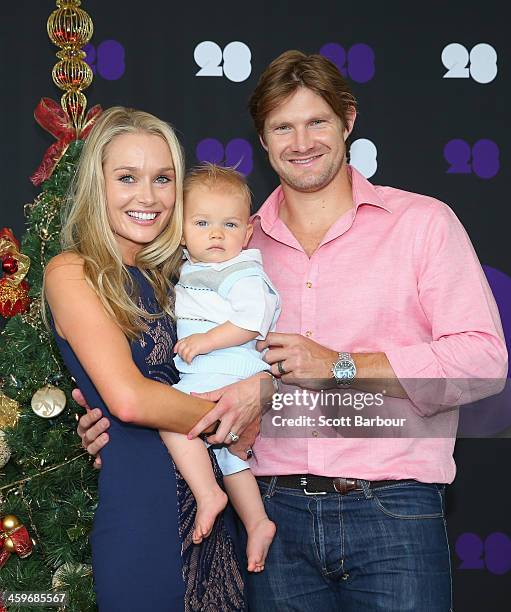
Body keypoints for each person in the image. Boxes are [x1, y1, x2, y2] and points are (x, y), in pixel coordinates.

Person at [77, 52, 508, 611]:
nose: (301, 141)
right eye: (283, 126)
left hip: (393, 512)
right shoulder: (230, 242)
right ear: (262, 137)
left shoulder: (422, 224)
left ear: (348, 120)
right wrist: (111, 421)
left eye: (317, 122)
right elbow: (164, 362)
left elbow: (482, 362)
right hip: (269, 516)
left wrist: (341, 364)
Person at [44, 107, 247, 611]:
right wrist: (234, 416)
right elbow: (130, 400)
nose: (147, 197)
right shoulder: (74, 272)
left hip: (223, 509)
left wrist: (255, 396)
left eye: (163, 179)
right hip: (146, 515)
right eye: (127, 178)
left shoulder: (183, 276)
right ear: (98, 184)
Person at [161, 163, 278, 571]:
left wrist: (205, 340)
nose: (215, 234)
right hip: (217, 371)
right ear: (181, 230)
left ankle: (208, 493)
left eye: (229, 224)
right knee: (232, 455)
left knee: (166, 411)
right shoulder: (193, 266)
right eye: (202, 222)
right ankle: (258, 521)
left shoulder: (241, 270)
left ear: (247, 234)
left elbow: (252, 321)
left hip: (226, 367)